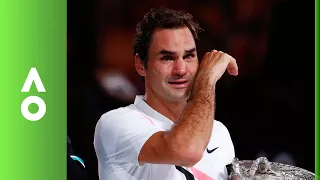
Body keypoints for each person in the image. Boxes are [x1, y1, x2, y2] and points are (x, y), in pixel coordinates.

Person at [94, 7, 238, 180]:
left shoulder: (219, 132)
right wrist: (206, 80)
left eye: (189, 56)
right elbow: (187, 151)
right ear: (141, 65)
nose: (181, 69)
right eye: (167, 58)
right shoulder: (116, 123)